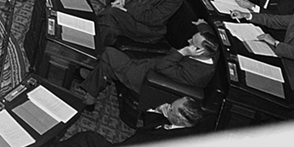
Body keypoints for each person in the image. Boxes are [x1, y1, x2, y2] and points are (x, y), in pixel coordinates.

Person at [79, 29, 218, 111]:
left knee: (108, 52)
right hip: (146, 66)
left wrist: (183, 52)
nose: (188, 41)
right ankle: (90, 97)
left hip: (146, 81)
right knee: (105, 66)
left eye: (192, 42)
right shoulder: (210, 52)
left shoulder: (196, 73)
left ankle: (89, 77)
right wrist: (201, 25)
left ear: (200, 51)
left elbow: (162, 68)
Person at [45, 97, 205, 147]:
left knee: (87, 138)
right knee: (84, 142)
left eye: (171, 108)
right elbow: (151, 125)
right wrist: (157, 111)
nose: (167, 105)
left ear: (179, 119)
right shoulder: (181, 125)